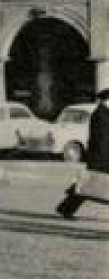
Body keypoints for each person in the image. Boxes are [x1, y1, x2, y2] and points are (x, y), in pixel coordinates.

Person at [57, 88, 109, 219]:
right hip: (101, 156)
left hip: (101, 156)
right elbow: (101, 139)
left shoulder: (104, 113)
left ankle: (65, 208)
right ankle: (66, 208)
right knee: (86, 185)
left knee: (86, 185)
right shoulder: (101, 114)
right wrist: (100, 159)